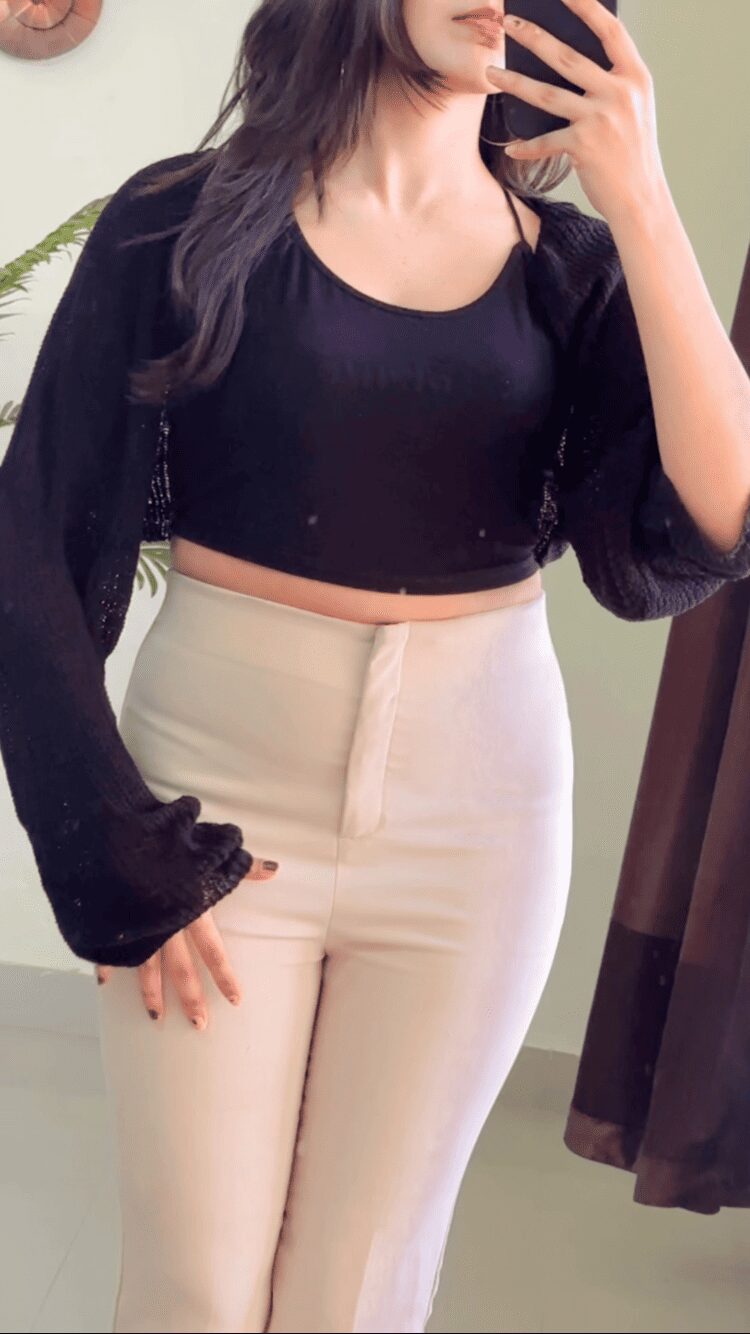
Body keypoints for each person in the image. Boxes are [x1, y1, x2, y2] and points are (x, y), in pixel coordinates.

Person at [3, 3, 750, 1331]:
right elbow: (32, 554)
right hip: (218, 794)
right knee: (196, 1291)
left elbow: (715, 520)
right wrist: (107, 845)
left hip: (479, 818)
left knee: (358, 1295)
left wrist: (639, 195)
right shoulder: (177, 223)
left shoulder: (569, 271)